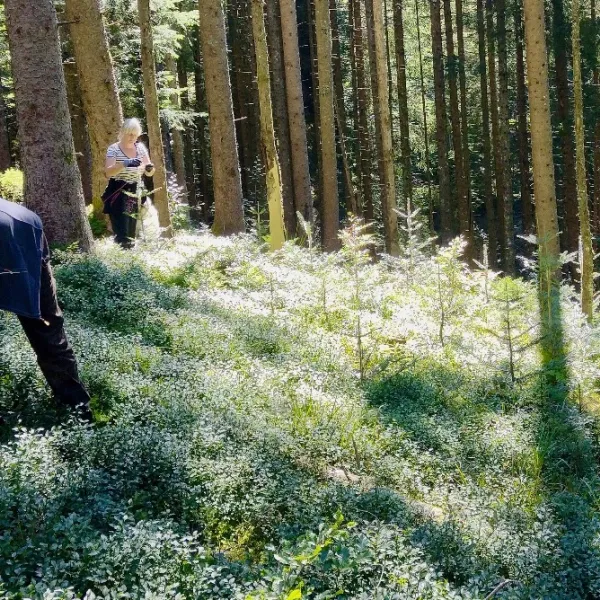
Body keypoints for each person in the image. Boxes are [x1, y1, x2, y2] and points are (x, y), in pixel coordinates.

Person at [0, 198, 93, 422]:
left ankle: (77, 407)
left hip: (23, 236)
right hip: (26, 228)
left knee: (47, 327)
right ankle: (78, 409)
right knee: (48, 329)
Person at [103, 118, 155, 248]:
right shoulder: (113, 149)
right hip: (117, 191)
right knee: (121, 229)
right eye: (130, 134)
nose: (132, 137)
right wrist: (125, 163)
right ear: (123, 132)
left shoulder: (140, 148)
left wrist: (149, 169)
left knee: (133, 229)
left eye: (135, 134)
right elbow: (108, 172)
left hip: (136, 189)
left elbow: (149, 171)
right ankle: (121, 257)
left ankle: (130, 258)